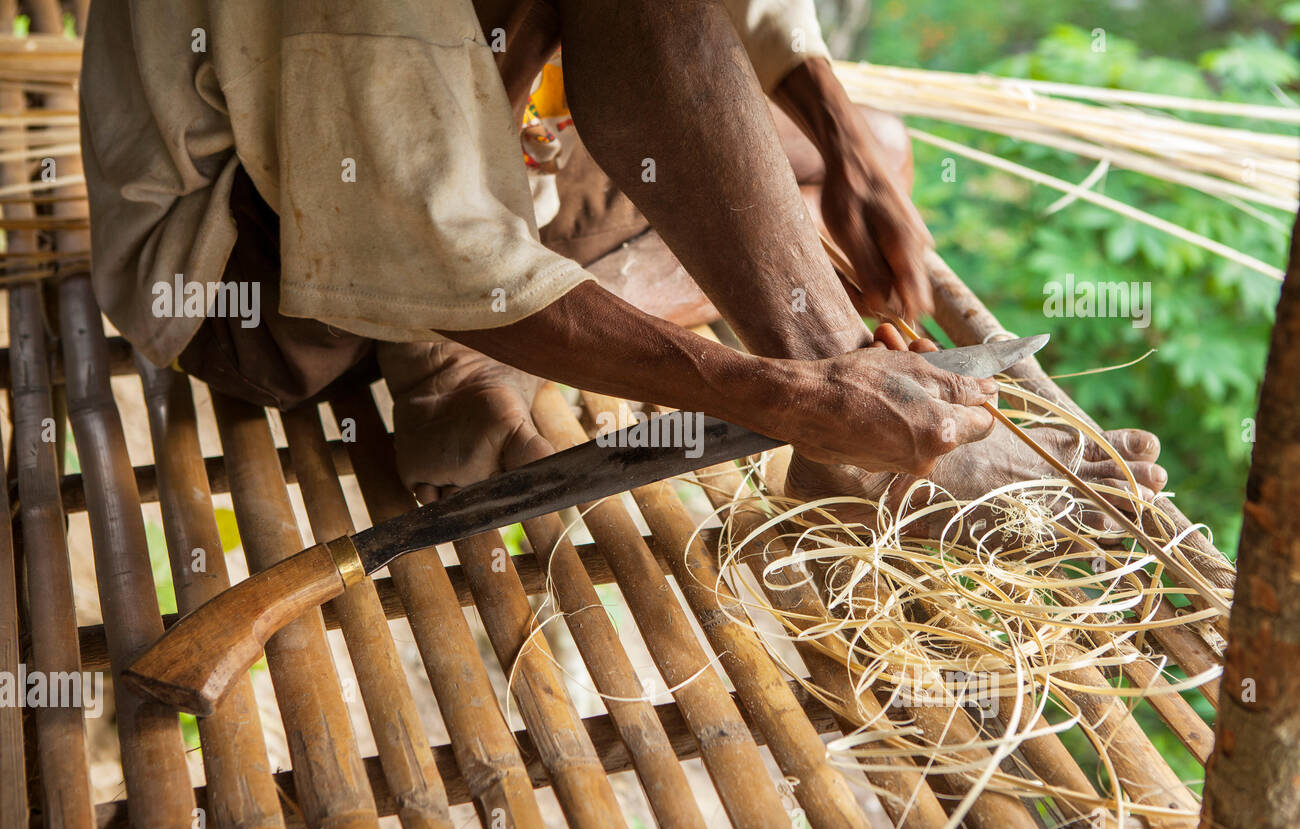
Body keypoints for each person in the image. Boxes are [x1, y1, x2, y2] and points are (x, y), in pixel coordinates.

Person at [81, 0, 1165, 528]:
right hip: (243, 277)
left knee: (872, 144)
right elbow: (410, 221)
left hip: (426, 146)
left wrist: (841, 145)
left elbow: (741, 14)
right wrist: (782, 391)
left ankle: (841, 432)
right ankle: (453, 368)